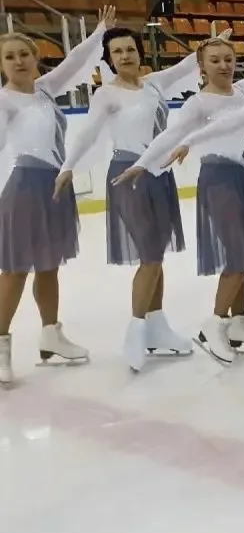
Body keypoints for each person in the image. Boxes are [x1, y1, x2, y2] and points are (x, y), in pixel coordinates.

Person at [111, 38, 244, 363]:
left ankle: (238, 321)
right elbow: (171, 135)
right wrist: (143, 163)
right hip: (219, 181)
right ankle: (215, 323)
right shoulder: (198, 103)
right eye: (214, 60)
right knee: (236, 255)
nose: (223, 65)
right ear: (201, 67)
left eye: (228, 58)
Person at [55, 26, 219, 370]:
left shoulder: (154, 84)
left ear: (139, 52)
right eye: (117, 52)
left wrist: (211, 46)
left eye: (130, 49)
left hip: (159, 174)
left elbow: (187, 66)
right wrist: (68, 166)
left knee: (156, 255)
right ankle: (136, 330)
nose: (125, 56)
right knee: (150, 256)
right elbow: (88, 133)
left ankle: (156, 326)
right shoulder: (106, 94)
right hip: (128, 175)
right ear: (109, 59)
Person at [0, 6, 114, 385]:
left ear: (35, 58)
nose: (19, 61)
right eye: (10, 56)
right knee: (15, 270)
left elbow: (74, 63)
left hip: (54, 186)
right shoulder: (4, 102)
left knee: (49, 265)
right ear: (2, 64)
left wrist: (99, 32)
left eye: (24, 54)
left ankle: (51, 334)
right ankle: (0, 345)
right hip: (23, 187)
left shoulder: (45, 91)